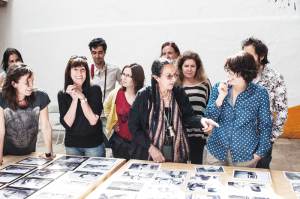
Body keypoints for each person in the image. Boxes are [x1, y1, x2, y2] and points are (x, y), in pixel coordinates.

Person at [128, 57, 219, 163]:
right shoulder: (144, 95)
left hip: (176, 147)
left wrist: (202, 120)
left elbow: (189, 117)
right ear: (156, 77)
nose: (174, 79)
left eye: (175, 74)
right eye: (169, 76)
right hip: (150, 149)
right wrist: (151, 148)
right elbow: (133, 126)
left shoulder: (178, 91)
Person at [204, 51, 272, 168]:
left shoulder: (260, 93)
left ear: (246, 72)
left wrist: (259, 154)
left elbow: (265, 126)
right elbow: (209, 118)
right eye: (227, 70)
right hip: (216, 151)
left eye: (232, 71)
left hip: (245, 155)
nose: (228, 75)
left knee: (241, 186)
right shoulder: (218, 88)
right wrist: (220, 98)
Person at [242, 37, 288, 169]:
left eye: (249, 55)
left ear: (261, 56)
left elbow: (282, 111)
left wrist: (269, 138)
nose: (245, 58)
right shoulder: (241, 76)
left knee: (261, 177)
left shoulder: (275, 78)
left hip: (263, 138)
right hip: (241, 138)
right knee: (240, 176)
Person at [0, 63, 55, 164]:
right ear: (13, 83)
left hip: (29, 154)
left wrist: (48, 153)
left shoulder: (40, 96)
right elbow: (0, 129)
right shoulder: (1, 97)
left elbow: (46, 125)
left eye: (32, 81)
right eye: (27, 82)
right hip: (5, 154)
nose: (32, 85)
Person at [57, 56, 105, 157]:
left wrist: (82, 98)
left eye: (82, 69)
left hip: (93, 145)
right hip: (72, 145)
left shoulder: (95, 89)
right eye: (75, 69)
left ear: (87, 72)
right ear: (69, 72)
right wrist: (74, 100)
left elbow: (93, 120)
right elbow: (67, 123)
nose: (79, 73)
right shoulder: (62, 94)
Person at [176, 50, 212, 164]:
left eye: (192, 66)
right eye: (186, 66)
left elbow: (209, 106)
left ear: (197, 67)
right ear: (181, 67)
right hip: (180, 133)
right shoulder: (176, 84)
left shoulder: (205, 84)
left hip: (198, 133)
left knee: (196, 166)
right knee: (180, 167)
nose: (189, 69)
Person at [103, 63, 145, 161]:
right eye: (123, 74)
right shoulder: (116, 93)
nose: (124, 78)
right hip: (120, 142)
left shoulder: (143, 95)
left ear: (137, 78)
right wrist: (112, 121)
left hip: (139, 143)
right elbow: (106, 106)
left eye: (128, 75)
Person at [88, 38, 122, 148]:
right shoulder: (86, 70)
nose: (97, 56)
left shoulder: (115, 69)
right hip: (92, 114)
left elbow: (125, 86)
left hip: (110, 114)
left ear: (105, 52)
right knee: (94, 146)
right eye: (94, 52)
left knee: (114, 143)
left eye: (100, 52)